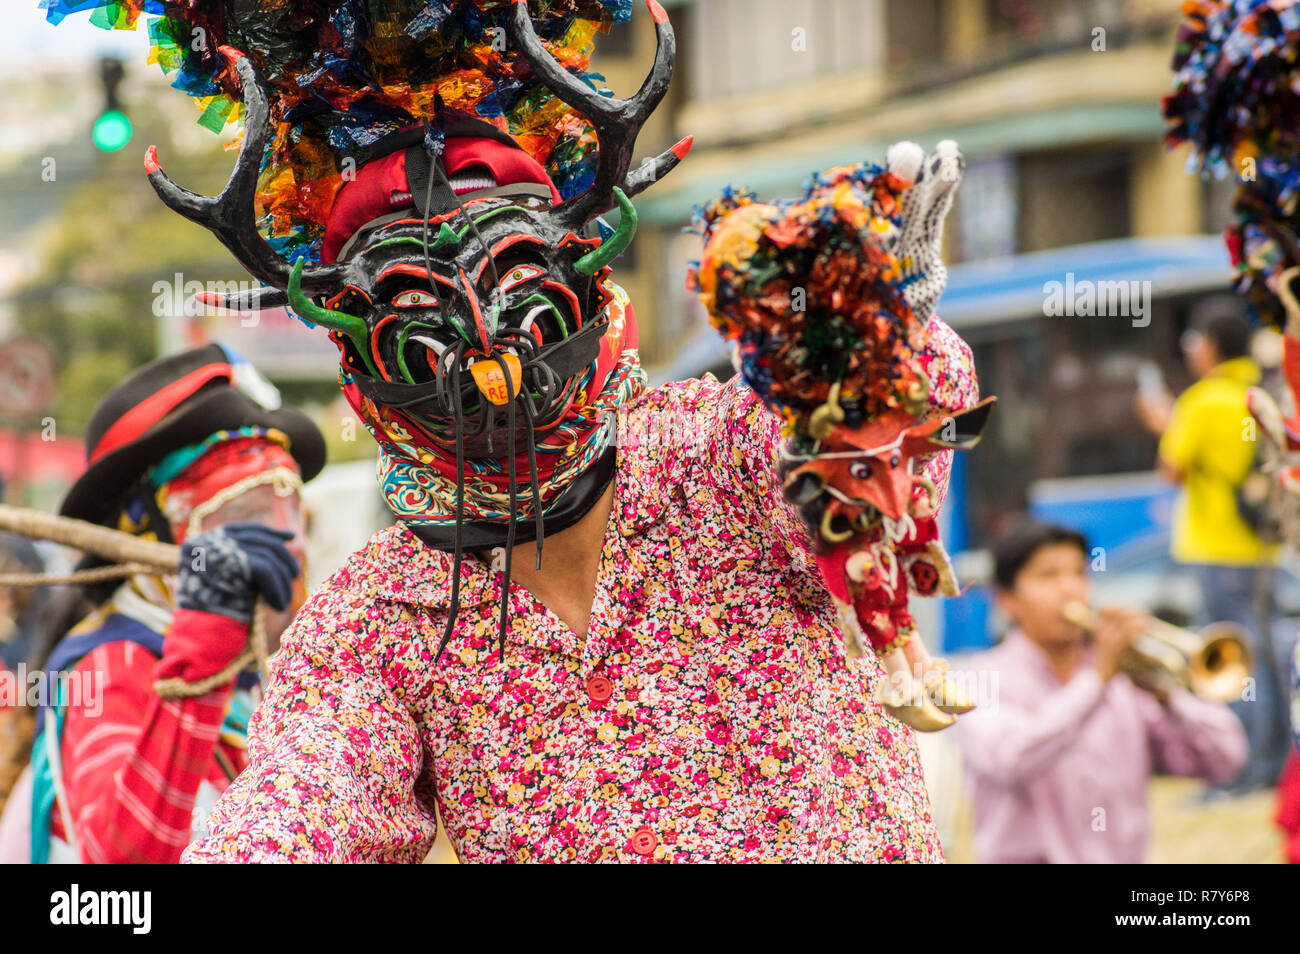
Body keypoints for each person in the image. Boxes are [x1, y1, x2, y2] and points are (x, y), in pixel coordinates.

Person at [0, 343, 325, 863]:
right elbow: (121, 870)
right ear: (148, 532)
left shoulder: (262, 663)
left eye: (294, 514)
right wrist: (203, 658)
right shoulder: (112, 667)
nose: (291, 544)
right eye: (248, 512)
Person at [951, 521, 1248, 864]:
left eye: (1078, 573)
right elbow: (1010, 759)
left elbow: (1226, 760)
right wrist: (1097, 678)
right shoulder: (976, 679)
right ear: (1006, 600)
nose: (1070, 589)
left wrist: (1167, 696)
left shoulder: (1124, 682)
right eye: (1048, 576)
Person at [1136, 299, 1289, 793]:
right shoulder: (1261, 390)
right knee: (1264, 659)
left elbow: (1172, 468)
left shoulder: (1202, 400)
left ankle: (1234, 774)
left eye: (1193, 342)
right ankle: (1271, 768)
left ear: (1212, 346)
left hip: (1216, 548)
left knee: (1230, 663)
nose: (1191, 352)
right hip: (1262, 548)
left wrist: (1164, 423)